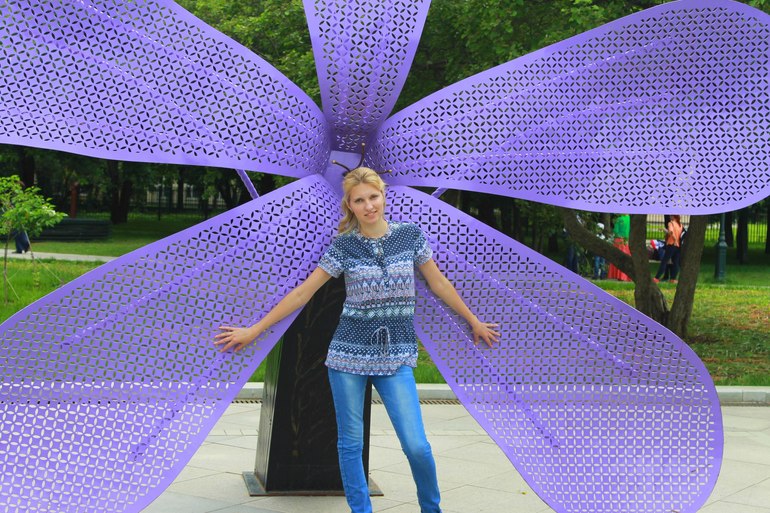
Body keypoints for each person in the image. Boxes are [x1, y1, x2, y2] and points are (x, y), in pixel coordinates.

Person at [215, 167, 500, 513]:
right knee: (350, 444)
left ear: (384, 196)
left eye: (373, 197)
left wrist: (473, 321)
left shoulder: (410, 236)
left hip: (396, 355)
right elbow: (303, 293)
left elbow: (438, 283)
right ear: (350, 205)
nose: (369, 206)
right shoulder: (344, 246)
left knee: (417, 445)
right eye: (359, 200)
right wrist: (254, 330)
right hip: (347, 356)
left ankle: (431, 508)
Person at [654, 214, 683, 284]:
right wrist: (677, 241)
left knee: (664, 261)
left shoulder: (671, 223)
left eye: (670, 215)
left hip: (671, 245)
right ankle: (673, 279)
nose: (669, 216)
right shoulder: (680, 225)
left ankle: (656, 278)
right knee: (676, 262)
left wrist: (665, 230)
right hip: (678, 246)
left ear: (673, 216)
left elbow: (671, 232)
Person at [607, 214, 631, 281]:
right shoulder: (630, 219)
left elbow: (616, 231)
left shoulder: (619, 219)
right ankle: (625, 276)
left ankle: (618, 276)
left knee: (617, 257)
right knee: (626, 257)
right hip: (627, 240)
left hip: (619, 240)